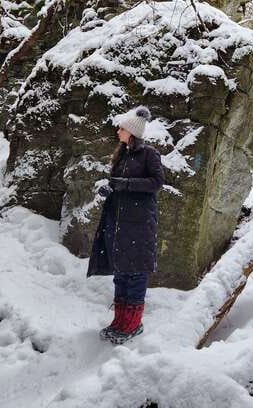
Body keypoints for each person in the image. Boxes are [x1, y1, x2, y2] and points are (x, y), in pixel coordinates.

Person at [87, 106, 165, 344]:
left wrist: (125, 184)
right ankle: (120, 320)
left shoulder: (149, 154)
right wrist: (109, 188)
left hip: (139, 224)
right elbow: (118, 183)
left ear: (132, 131)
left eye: (121, 128)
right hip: (119, 223)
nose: (117, 131)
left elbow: (156, 182)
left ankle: (133, 323)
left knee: (135, 274)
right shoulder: (121, 154)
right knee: (121, 273)